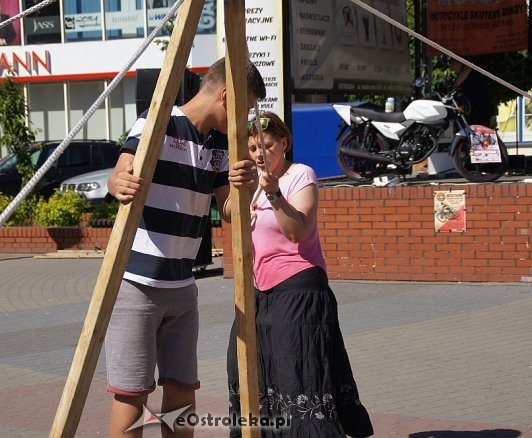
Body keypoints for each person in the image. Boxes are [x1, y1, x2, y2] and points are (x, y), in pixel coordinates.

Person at [105, 57, 266, 438]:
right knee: (132, 394)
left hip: (182, 287)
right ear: (227, 96)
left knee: (181, 392)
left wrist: (246, 188)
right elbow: (121, 171)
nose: (245, 123)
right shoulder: (159, 120)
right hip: (136, 284)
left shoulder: (221, 146)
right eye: (246, 111)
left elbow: (228, 211)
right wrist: (116, 183)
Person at [226, 111, 374, 437]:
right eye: (252, 148)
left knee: (296, 375)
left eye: (267, 146)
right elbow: (227, 215)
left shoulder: (300, 175)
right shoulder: (251, 180)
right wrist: (239, 186)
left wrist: (274, 194)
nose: (260, 155)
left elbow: (297, 231)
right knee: (251, 369)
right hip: (258, 291)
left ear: (284, 143)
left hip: (298, 287)